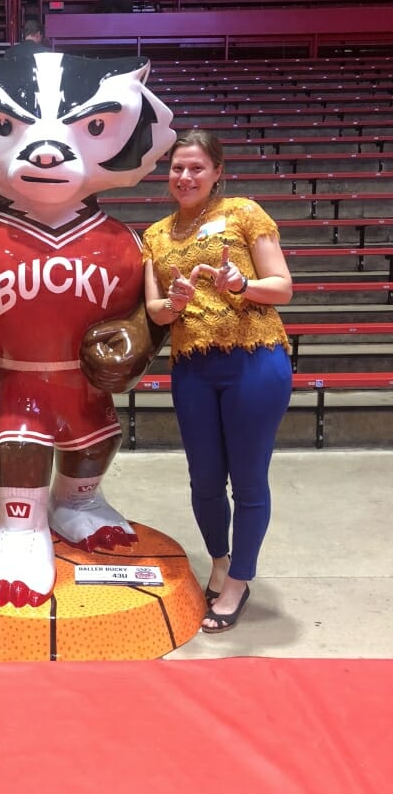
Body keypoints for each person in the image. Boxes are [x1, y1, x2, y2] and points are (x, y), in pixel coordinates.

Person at [142, 129, 293, 634]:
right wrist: (175, 304)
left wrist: (241, 284)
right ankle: (220, 562)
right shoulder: (156, 235)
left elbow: (283, 287)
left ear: (217, 172)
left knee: (248, 480)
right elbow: (155, 311)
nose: (184, 177)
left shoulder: (246, 213)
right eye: (177, 169)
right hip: (193, 368)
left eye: (196, 168)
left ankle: (239, 581)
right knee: (205, 481)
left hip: (254, 360)